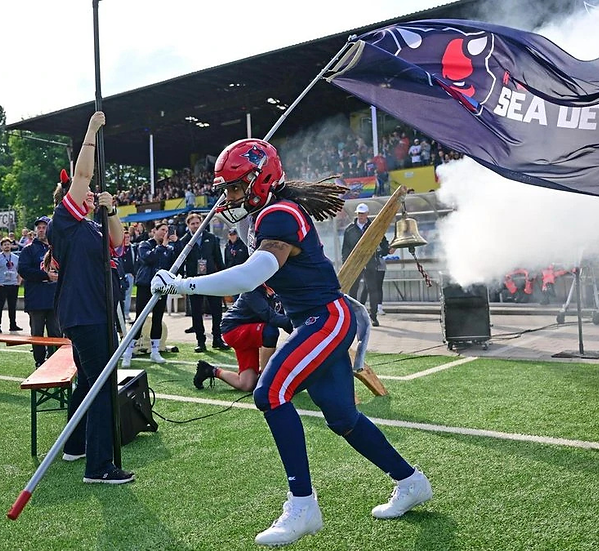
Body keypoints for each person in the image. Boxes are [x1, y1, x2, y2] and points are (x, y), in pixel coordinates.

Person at [151, 138, 430, 546]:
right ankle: (411, 481)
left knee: (270, 392)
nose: (227, 197)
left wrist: (182, 284)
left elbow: (251, 276)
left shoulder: (279, 214)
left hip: (326, 319)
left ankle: (303, 505)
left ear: (259, 180)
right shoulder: (268, 213)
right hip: (316, 318)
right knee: (342, 417)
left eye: (233, 186)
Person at [46, 111, 134, 484]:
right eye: (81, 196)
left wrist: (109, 208)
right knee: (101, 386)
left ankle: (76, 444)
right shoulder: (63, 223)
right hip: (84, 314)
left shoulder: (92, 224)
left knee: (87, 380)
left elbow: (117, 239)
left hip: (96, 313)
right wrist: (91, 132)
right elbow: (82, 175)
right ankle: (99, 466)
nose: (86, 196)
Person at [193, 284, 293, 391]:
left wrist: (299, 330)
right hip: (234, 329)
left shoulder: (274, 291)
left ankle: (209, 370)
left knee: (246, 384)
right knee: (270, 332)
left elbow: (283, 316)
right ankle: (266, 380)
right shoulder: (252, 290)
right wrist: (302, 331)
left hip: (250, 331)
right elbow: (270, 317)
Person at [124, 222, 176, 366]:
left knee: (158, 318)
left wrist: (175, 243)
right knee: (140, 318)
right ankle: (128, 351)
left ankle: (155, 351)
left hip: (162, 287)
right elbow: (149, 259)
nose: (165, 233)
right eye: (162, 230)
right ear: (154, 231)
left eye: (167, 230)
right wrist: (163, 245)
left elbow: (176, 262)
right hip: (145, 285)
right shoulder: (144, 245)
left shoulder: (169, 248)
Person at [180, 212, 228, 353]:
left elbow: (218, 259)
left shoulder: (211, 238)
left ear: (202, 223)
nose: (196, 225)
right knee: (196, 311)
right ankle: (200, 341)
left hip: (211, 279)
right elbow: (180, 261)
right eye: (192, 223)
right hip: (194, 280)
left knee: (216, 310)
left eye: (198, 222)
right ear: (188, 225)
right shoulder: (184, 241)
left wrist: (223, 276)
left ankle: (217, 339)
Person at [18, 216, 62, 367]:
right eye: (39, 227)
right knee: (37, 333)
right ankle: (39, 361)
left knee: (55, 332)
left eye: (44, 227)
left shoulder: (57, 248)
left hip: (55, 298)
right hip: (36, 298)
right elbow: (23, 270)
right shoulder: (29, 249)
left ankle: (55, 360)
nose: (41, 230)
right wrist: (45, 276)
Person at [342, 202, 390, 326]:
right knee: (353, 290)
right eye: (359, 214)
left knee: (373, 289)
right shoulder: (350, 229)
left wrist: (386, 250)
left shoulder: (374, 227)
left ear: (367, 214)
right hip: (354, 263)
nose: (361, 216)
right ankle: (354, 316)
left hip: (370, 262)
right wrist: (346, 263)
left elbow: (383, 241)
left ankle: (373, 316)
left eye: (363, 214)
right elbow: (345, 248)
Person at [0, 237, 23, 333]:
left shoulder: (16, 258)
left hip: (13, 285)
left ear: (11, 246)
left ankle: (13, 324)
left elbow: (20, 271)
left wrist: (19, 281)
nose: (7, 246)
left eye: (8, 244)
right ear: (1, 247)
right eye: (5, 245)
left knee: (12, 306)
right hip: (2, 286)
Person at [117, 231, 137, 322]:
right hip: (120, 274)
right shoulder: (119, 248)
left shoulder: (133, 248)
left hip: (129, 274)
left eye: (128, 237)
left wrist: (134, 273)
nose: (127, 239)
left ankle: (126, 313)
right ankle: (120, 315)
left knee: (128, 295)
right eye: (125, 237)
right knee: (120, 295)